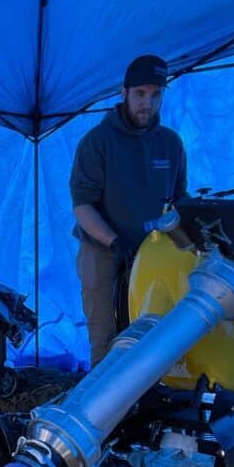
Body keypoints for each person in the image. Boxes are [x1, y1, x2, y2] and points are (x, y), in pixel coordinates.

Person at [69, 54, 188, 366]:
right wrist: (115, 242)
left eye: (156, 94)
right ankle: (103, 396)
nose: (147, 103)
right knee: (105, 339)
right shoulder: (97, 142)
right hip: (102, 251)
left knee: (152, 335)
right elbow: (82, 206)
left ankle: (148, 393)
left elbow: (180, 202)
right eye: (140, 93)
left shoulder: (171, 144)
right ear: (124, 93)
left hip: (153, 253)